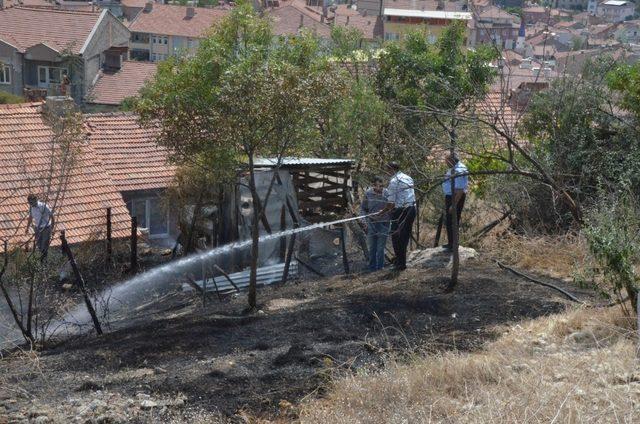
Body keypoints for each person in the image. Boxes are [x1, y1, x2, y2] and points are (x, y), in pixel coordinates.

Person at [381, 162, 416, 272]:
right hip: (411, 209)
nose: (386, 172)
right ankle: (401, 261)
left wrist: (382, 212)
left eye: (387, 169)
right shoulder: (408, 178)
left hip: (401, 211)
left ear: (391, 169)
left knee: (396, 237)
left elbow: (391, 203)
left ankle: (400, 263)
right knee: (404, 236)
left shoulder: (393, 181)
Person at [360, 176, 391, 271]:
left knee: (380, 248)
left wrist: (385, 214)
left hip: (384, 223)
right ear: (373, 185)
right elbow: (363, 209)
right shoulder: (368, 193)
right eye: (377, 186)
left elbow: (392, 207)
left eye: (381, 186)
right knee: (372, 248)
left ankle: (380, 268)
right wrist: (364, 221)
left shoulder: (387, 193)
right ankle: (372, 268)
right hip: (371, 223)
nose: (379, 188)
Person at [442, 153, 468, 251]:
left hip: (455, 197)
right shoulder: (453, 167)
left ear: (452, 160)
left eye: (446, 160)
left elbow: (460, 190)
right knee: (449, 221)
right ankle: (451, 243)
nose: (445, 162)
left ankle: (453, 245)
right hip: (450, 196)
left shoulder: (459, 170)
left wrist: (453, 204)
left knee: (453, 220)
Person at [25, 194, 55, 260]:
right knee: (39, 246)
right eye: (29, 202)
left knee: (44, 246)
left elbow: (52, 216)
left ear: (35, 200)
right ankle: (41, 260)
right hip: (37, 229)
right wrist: (27, 228)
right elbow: (30, 217)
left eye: (31, 202)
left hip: (46, 228)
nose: (31, 204)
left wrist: (52, 229)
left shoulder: (43, 206)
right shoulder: (31, 208)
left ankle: (44, 262)